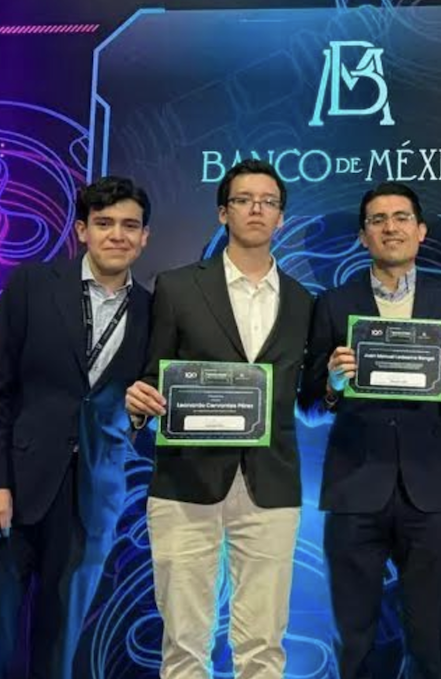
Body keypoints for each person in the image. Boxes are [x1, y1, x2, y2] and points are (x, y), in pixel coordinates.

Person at [0, 176, 153, 679]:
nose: (117, 235)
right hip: (11, 490)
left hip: (91, 498)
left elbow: (150, 395)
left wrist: (139, 414)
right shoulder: (33, 286)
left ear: (144, 237)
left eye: (130, 225)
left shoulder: (154, 311)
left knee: (59, 652)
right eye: (104, 223)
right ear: (82, 231)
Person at [124, 160, 314, 679]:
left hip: (271, 483)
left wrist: (338, 382)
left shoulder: (303, 301)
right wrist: (139, 404)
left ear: (281, 217)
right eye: (244, 200)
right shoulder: (177, 287)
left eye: (268, 202)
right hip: (185, 479)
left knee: (264, 645)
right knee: (184, 643)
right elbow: (152, 375)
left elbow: (313, 395)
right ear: (222, 212)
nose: (256, 209)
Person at [297, 181, 441, 679]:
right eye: (377, 220)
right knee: (352, 637)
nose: (390, 227)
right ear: (363, 236)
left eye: (401, 217)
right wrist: (333, 383)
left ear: (421, 231)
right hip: (354, 486)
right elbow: (308, 404)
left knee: (426, 637)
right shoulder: (333, 303)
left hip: (430, 489)